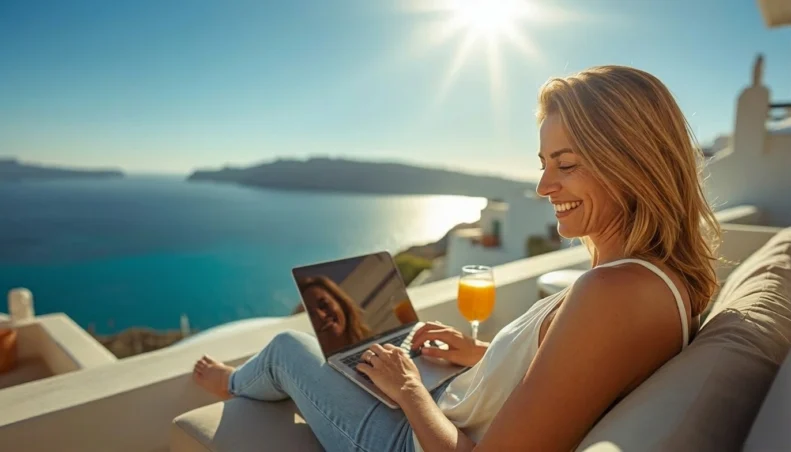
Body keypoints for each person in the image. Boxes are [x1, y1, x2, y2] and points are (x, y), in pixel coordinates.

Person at [193, 65, 720, 452]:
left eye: (566, 164)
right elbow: (571, 368)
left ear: (631, 162)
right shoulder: (655, 279)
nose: (543, 185)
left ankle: (234, 385)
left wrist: (407, 391)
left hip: (415, 437)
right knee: (369, 350)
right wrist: (477, 352)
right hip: (456, 399)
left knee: (287, 346)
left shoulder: (614, 291)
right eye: (543, 163)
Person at [294, 275, 373, 356]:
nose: (321, 316)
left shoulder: (375, 347)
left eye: (324, 305)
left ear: (341, 303)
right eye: (310, 314)